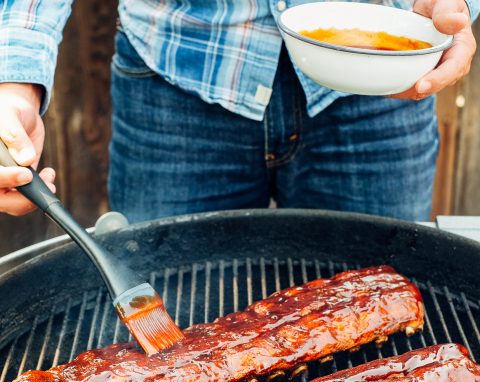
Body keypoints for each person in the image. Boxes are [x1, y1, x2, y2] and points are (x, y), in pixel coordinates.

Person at [0, 0, 477, 222]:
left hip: (381, 75)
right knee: (165, 329)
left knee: (380, 303)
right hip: (176, 79)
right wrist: (15, 86)